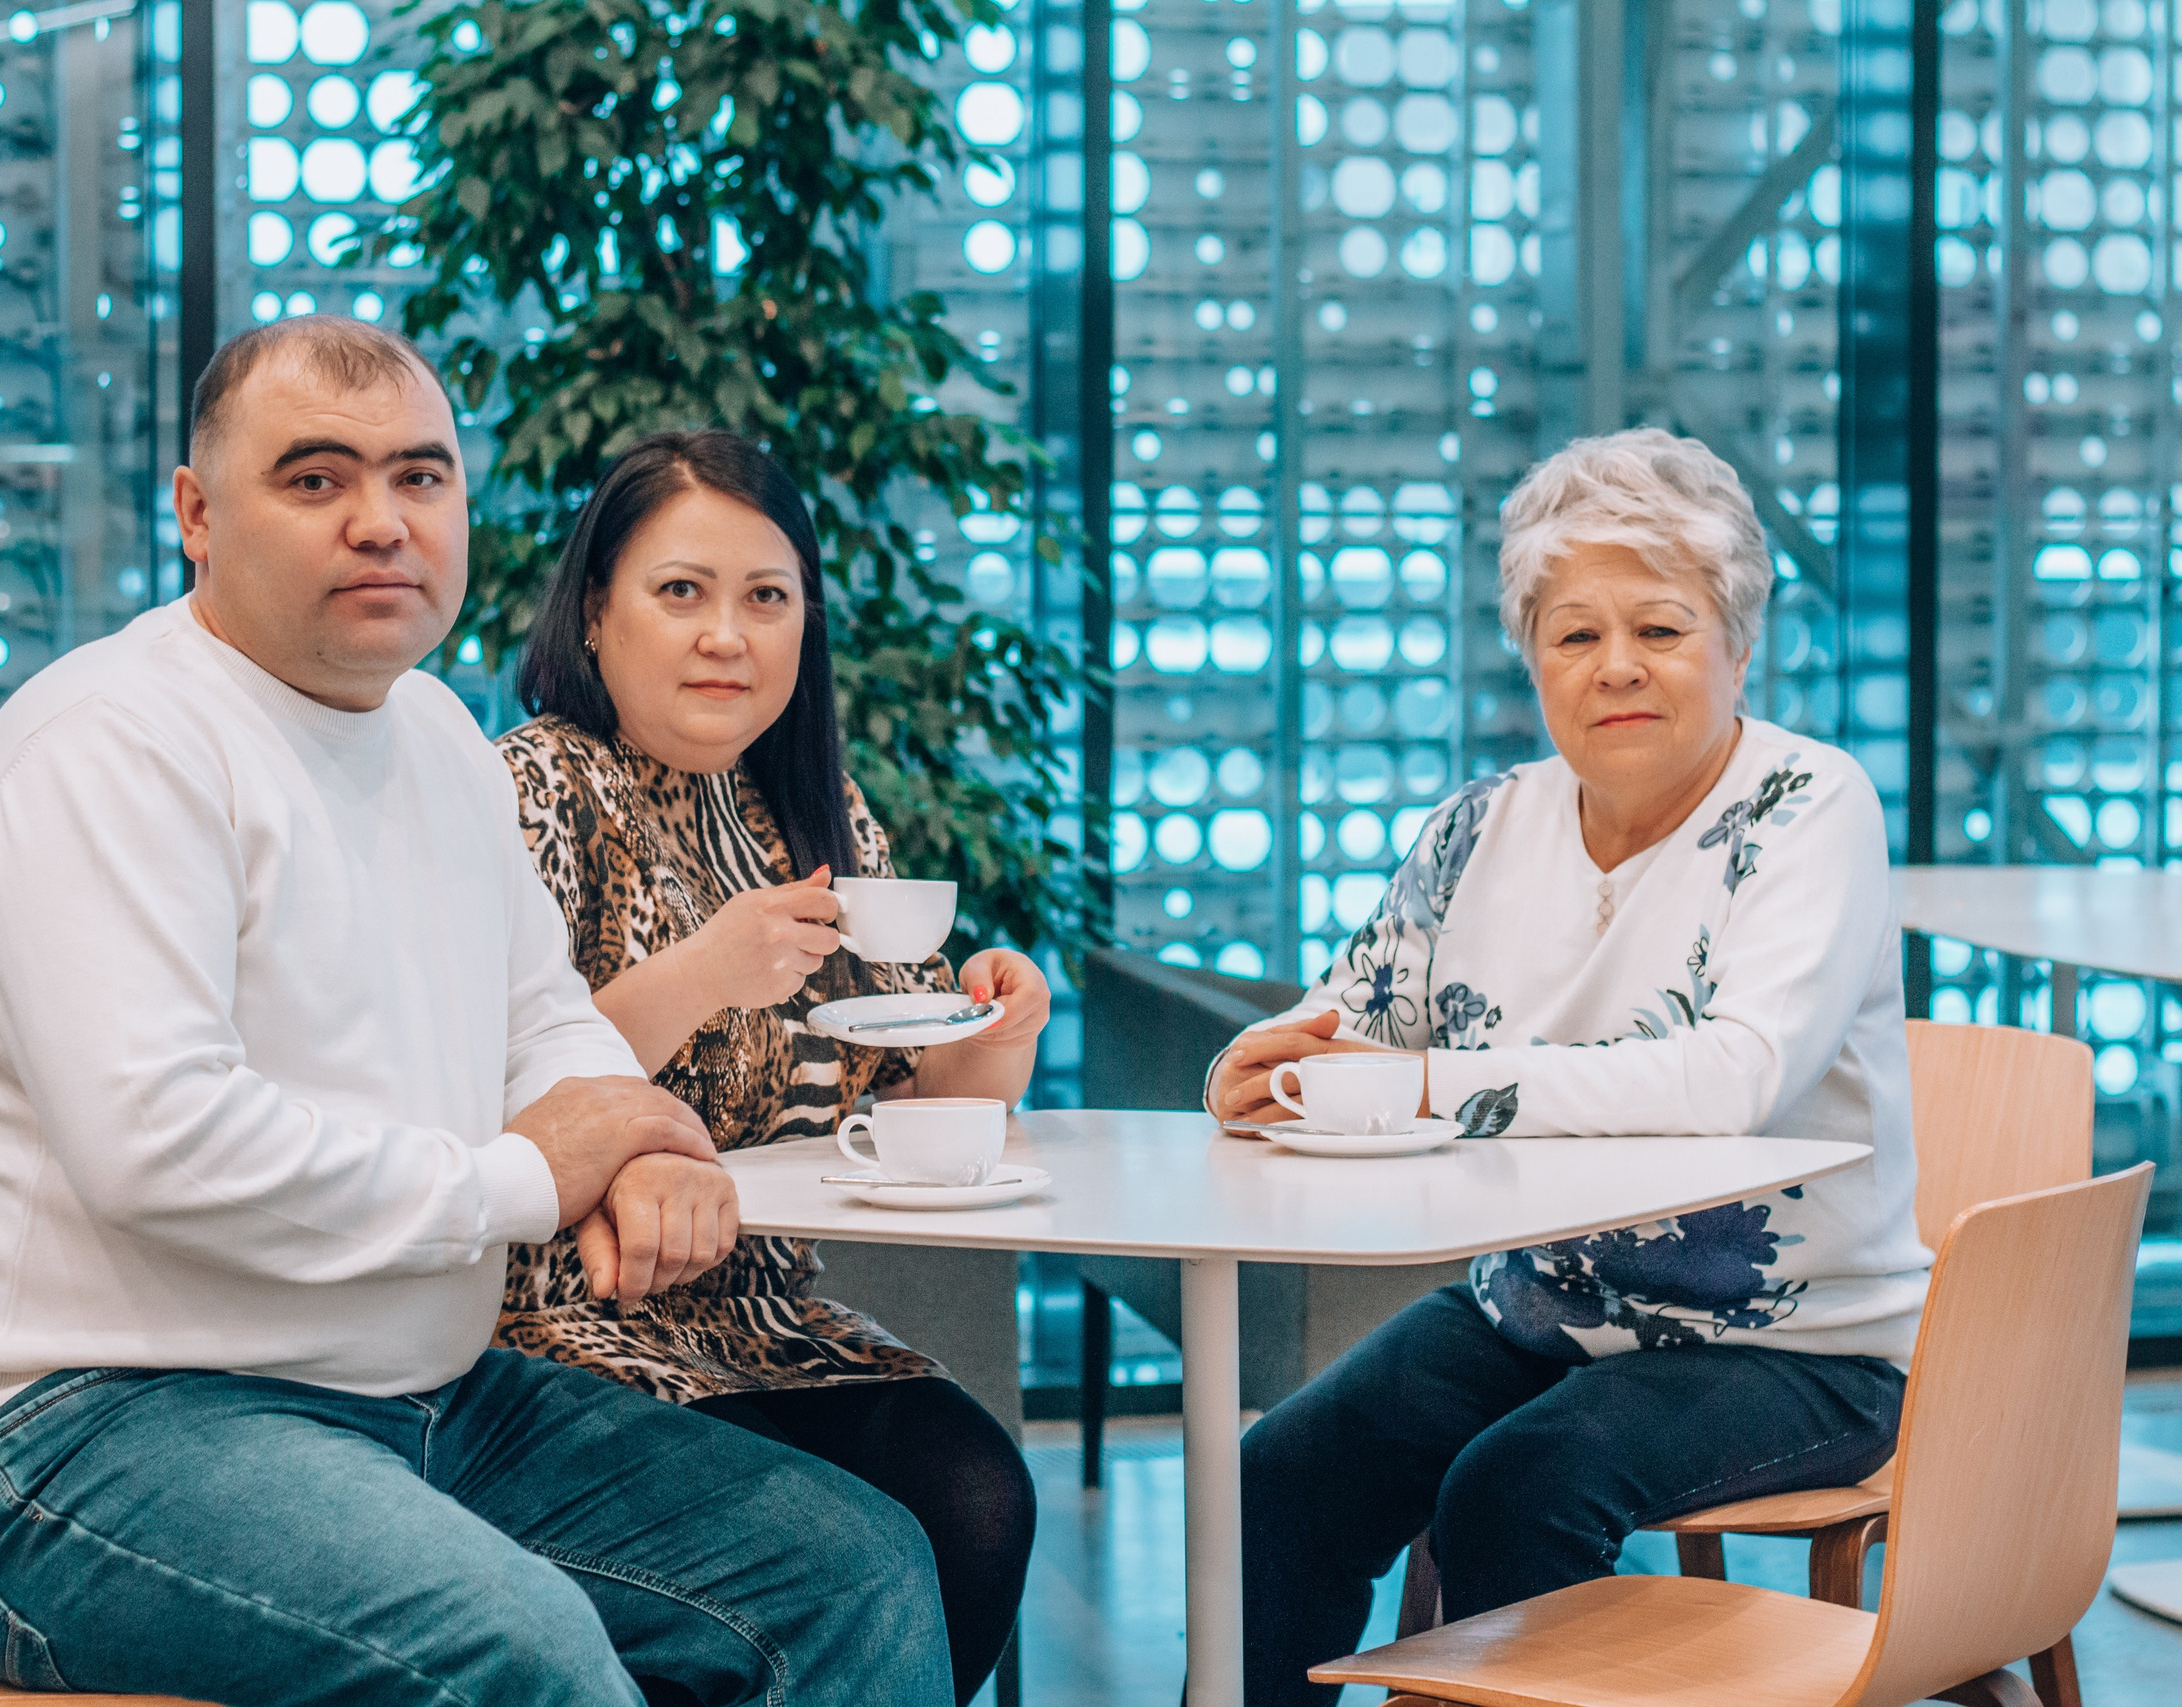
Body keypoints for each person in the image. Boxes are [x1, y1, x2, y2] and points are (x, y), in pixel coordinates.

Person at [0, 319, 952, 1707]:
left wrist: (647, 1138)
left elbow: (540, 1015)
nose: (381, 523)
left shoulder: (429, 731)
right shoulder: (112, 745)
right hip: (75, 1425)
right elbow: (161, 1143)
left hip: (417, 1395)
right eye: (315, 481)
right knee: (518, 1650)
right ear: (197, 513)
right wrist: (526, 1174)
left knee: (849, 1568)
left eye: (421, 479)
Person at [1208, 428, 1932, 1705]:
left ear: (1735, 643)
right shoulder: (1481, 826)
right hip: (1539, 1306)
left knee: (1518, 1485)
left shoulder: (1810, 806)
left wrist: (1440, 1085)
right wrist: (1261, 1071)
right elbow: (1356, 1026)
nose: (1617, 669)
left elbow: (1733, 1081)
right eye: (1574, 635)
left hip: (1795, 1343)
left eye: (1659, 628)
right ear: (1532, 658)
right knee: (1282, 1474)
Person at [494, 428, 1046, 1705]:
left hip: (769, 1318)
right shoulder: (533, 788)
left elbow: (911, 1093)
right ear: (595, 611)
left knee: (976, 1494)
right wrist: (704, 967)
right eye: (680, 592)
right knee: (859, 1550)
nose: (725, 636)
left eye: (765, 598)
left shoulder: (806, 809)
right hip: (559, 1331)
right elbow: (497, 1085)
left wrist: (995, 1035)